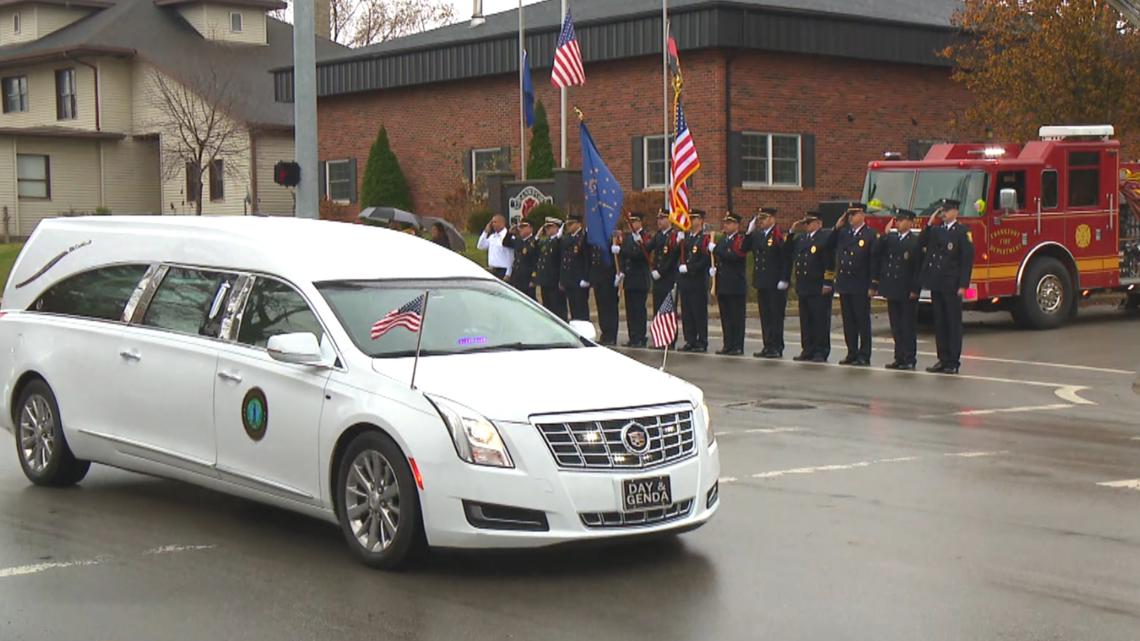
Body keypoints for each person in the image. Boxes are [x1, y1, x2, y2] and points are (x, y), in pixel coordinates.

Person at [919, 198, 975, 374]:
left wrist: (963, 285)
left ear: (955, 212)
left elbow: (966, 260)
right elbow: (922, 241)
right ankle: (942, 359)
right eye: (942, 211)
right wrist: (930, 223)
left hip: (952, 284)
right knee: (940, 323)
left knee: (952, 323)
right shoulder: (937, 231)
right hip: (937, 283)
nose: (943, 214)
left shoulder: (962, 232)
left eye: (946, 210)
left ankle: (953, 361)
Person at [828, 202, 878, 366]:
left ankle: (864, 354)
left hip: (860, 283)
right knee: (848, 322)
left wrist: (873, 285)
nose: (850, 218)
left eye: (853, 214)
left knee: (862, 321)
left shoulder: (869, 234)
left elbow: (873, 261)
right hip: (845, 283)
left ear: (862, 215)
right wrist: (837, 227)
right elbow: (829, 244)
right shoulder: (844, 233)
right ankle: (852, 352)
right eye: (849, 215)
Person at [872, 209, 923, 370]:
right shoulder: (891, 239)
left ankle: (909, 358)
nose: (898, 223)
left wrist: (915, 289)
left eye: (902, 221)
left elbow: (918, 268)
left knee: (907, 326)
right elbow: (876, 251)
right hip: (892, 288)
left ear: (910, 222)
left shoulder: (915, 241)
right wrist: (884, 235)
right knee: (896, 326)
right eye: (897, 221)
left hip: (907, 289)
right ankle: (899, 357)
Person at [789, 211, 834, 362]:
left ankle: (821, 350)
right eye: (806, 223)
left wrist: (828, 282)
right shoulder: (801, 239)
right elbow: (787, 250)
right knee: (806, 320)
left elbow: (829, 262)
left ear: (819, 223)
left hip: (818, 285)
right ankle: (807, 349)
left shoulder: (824, 238)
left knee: (820, 320)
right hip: (804, 284)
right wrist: (791, 231)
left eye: (810, 222)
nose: (807, 225)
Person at [744, 207, 788, 358]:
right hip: (762, 281)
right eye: (759, 219)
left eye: (764, 218)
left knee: (775, 316)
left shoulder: (778, 235)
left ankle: (777, 346)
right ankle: (767, 345)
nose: (761, 221)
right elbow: (744, 248)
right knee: (765, 316)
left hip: (775, 282)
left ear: (772, 219)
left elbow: (785, 259)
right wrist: (748, 233)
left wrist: (784, 279)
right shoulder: (757, 235)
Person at [712, 212, 748, 355]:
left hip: (735, 286)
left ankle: (737, 346)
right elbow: (720, 257)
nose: (725, 225)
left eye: (729, 223)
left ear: (736, 225)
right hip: (723, 284)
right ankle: (728, 344)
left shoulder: (740, 240)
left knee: (736, 318)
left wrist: (716, 250)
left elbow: (735, 256)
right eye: (725, 223)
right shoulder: (723, 240)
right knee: (726, 317)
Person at [678, 210, 711, 352]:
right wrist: (678, 242)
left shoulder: (704, 239)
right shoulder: (686, 238)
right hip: (686, 282)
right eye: (690, 218)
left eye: (695, 218)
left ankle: (702, 341)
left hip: (698, 281)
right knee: (687, 313)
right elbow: (679, 255)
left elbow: (705, 260)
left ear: (701, 220)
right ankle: (690, 340)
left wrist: (690, 268)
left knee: (699, 313)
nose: (691, 221)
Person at [617, 213, 651, 347]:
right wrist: (621, 271)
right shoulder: (629, 238)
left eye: (634, 221)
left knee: (639, 310)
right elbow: (624, 258)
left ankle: (641, 337)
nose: (632, 224)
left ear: (640, 222)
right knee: (630, 310)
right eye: (630, 221)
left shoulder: (645, 237)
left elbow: (640, 255)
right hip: (630, 279)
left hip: (640, 279)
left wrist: (622, 250)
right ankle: (633, 336)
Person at [646, 210, 680, 348]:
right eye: (658, 219)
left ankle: (669, 340)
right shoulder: (658, 236)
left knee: (668, 310)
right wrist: (639, 241)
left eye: (662, 218)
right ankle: (659, 339)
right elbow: (647, 248)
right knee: (658, 309)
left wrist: (661, 271)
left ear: (669, 220)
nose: (659, 221)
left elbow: (673, 258)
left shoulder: (674, 236)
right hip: (658, 279)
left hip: (669, 278)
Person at [559, 213, 591, 321]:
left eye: (571, 224)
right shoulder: (567, 238)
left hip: (579, 280)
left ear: (578, 224)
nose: (569, 226)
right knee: (573, 308)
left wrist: (586, 278)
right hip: (569, 279)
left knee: (581, 309)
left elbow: (587, 259)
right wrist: (562, 279)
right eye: (568, 224)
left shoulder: (583, 237)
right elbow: (564, 260)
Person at [535, 217, 567, 320]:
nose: (547, 229)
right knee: (547, 307)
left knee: (557, 308)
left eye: (550, 227)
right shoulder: (546, 242)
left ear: (557, 228)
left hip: (555, 281)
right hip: (545, 280)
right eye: (546, 227)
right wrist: (538, 235)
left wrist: (562, 280)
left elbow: (562, 260)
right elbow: (534, 247)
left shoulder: (560, 241)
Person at [590, 241, 620, 346]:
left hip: (609, 277)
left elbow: (617, 257)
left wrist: (619, 273)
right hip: (598, 277)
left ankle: (611, 336)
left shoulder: (611, 238)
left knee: (610, 308)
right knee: (601, 307)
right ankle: (605, 333)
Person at [503, 220, 539, 300]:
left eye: (523, 227)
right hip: (516, 276)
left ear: (530, 228)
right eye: (519, 227)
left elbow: (536, 261)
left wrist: (534, 279)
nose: (520, 229)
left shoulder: (535, 241)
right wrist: (509, 233)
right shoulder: (518, 240)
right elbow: (505, 243)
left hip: (527, 278)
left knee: (529, 300)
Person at [477, 215, 514, 280]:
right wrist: (485, 232)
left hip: (503, 271)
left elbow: (511, 257)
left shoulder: (508, 237)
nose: (493, 224)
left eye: (495, 222)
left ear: (502, 223)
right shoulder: (492, 237)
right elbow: (480, 246)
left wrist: (508, 273)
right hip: (492, 270)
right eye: (492, 222)